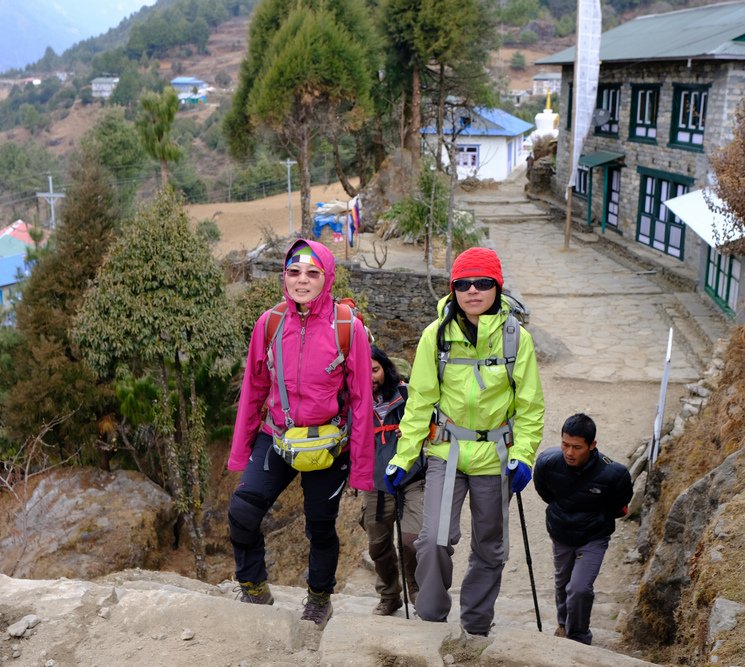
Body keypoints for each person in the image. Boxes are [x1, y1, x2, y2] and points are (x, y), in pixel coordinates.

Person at [385, 246, 545, 636]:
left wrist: (523, 455)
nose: (473, 291)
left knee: (490, 547)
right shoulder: (435, 335)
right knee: (433, 539)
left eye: (483, 283)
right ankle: (432, 618)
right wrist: (403, 458)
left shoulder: (515, 339)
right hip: (446, 450)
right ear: (453, 288)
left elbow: (530, 405)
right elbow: (420, 399)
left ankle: (475, 626)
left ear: (497, 286)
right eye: (463, 284)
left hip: (497, 454)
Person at [227, 239, 373, 628]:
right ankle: (253, 587)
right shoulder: (270, 323)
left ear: (327, 278)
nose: (302, 280)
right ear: (283, 277)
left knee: (320, 524)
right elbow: (253, 390)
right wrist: (240, 453)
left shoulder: (348, 328)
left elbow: (361, 400)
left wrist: (361, 469)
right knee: (242, 511)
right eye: (294, 272)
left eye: (312, 273)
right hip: (277, 434)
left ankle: (319, 598)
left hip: (329, 443)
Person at [533, 413, 634, 645]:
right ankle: (563, 626)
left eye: (577, 447)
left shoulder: (614, 474)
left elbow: (620, 506)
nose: (569, 452)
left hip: (593, 538)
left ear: (592, 445)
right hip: (561, 533)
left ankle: (578, 638)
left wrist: (595, 519)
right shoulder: (548, 462)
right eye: (565, 445)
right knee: (562, 583)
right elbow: (545, 492)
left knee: (578, 588)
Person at [361, 346, 425, 615]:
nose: (371, 377)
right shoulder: (354, 403)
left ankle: (418, 591)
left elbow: (430, 427)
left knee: (414, 540)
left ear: (385, 368)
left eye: (375, 370)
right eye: (364, 371)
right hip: (376, 483)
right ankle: (389, 594)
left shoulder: (408, 396)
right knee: (378, 544)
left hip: (413, 478)